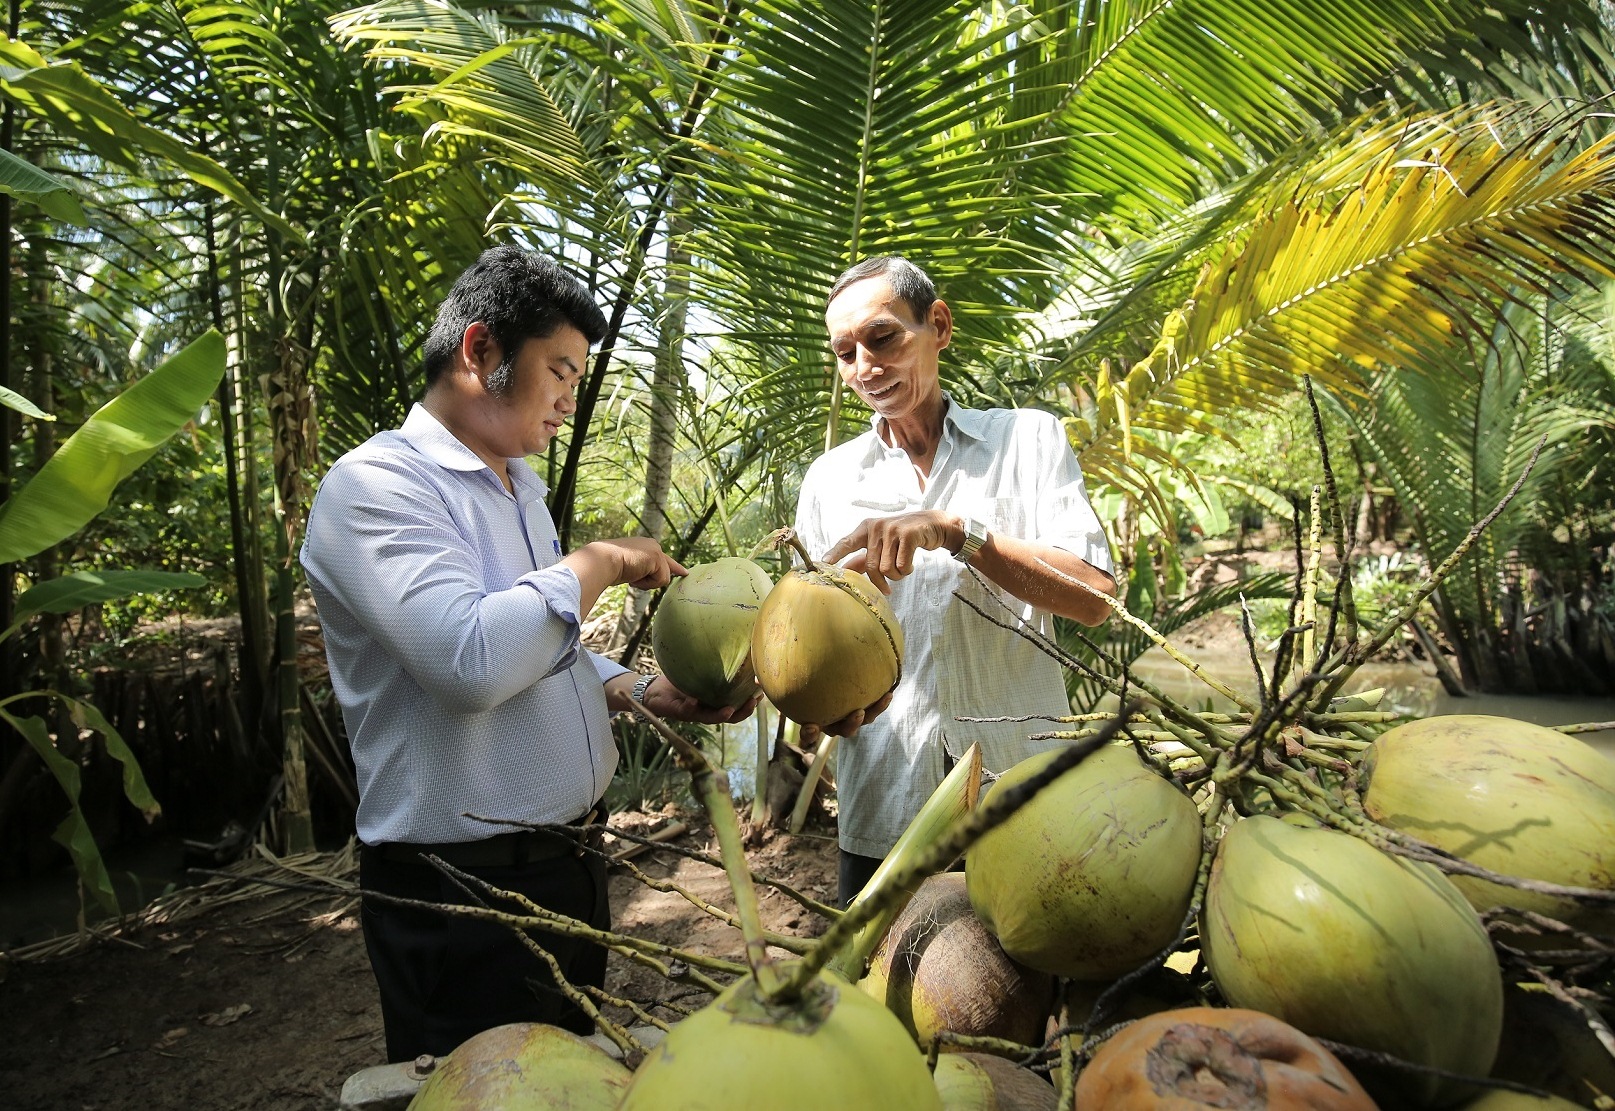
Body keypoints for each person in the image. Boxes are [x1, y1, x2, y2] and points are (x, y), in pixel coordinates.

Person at [301, 244, 754, 1062]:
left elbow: (539, 645)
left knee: (565, 1076)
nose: (566, 404)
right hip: (463, 892)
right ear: (480, 351)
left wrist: (636, 686)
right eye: (559, 372)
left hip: (570, 861)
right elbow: (469, 661)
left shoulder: (520, 489)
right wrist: (599, 563)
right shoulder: (373, 487)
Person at [793, 255, 1118, 908]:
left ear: (937, 325)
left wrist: (956, 531)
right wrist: (816, 688)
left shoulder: (1026, 441)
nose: (865, 367)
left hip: (1021, 798)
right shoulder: (828, 480)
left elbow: (1093, 596)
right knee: (886, 995)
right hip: (885, 801)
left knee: (1026, 992)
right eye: (845, 351)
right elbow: (802, 655)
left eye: (882, 337)